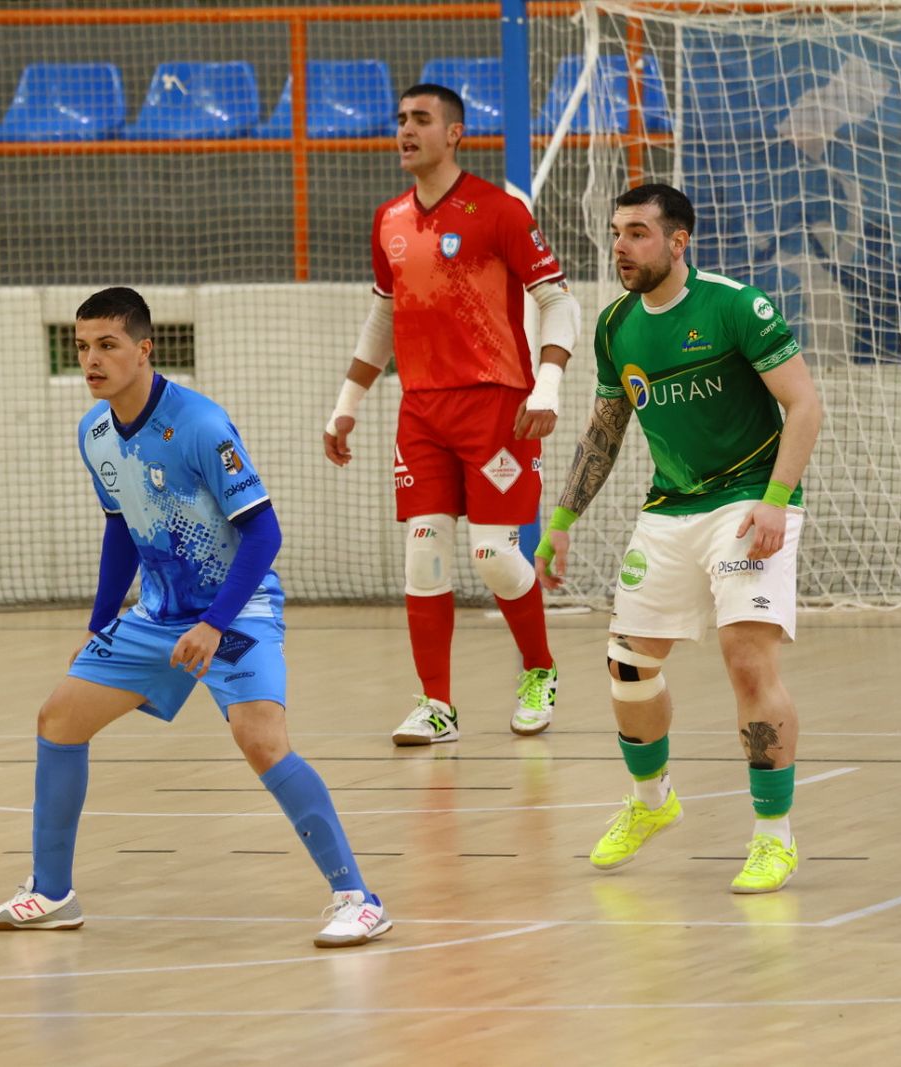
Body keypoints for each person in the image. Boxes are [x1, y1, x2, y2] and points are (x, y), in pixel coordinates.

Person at [0, 287, 390, 947]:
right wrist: (103, 617)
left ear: (145, 348)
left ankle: (357, 897)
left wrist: (215, 622)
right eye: (81, 347)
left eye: (107, 345)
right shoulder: (95, 433)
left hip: (237, 608)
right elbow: (121, 529)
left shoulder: (200, 424)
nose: (92, 360)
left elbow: (263, 534)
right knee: (58, 717)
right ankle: (51, 893)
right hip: (158, 613)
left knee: (261, 740)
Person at [536, 184, 823, 894]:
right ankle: (651, 800)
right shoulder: (615, 327)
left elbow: (805, 404)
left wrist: (776, 503)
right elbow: (605, 430)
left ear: (677, 241)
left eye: (637, 232)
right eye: (616, 233)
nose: (622, 246)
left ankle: (773, 838)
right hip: (670, 508)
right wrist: (561, 521)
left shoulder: (734, 306)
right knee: (628, 666)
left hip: (749, 499)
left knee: (746, 661)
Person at [322, 82, 582, 747]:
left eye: (421, 119)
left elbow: (560, 303)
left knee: (494, 554)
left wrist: (546, 385)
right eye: (400, 120)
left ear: (455, 133)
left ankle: (540, 669)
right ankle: (437, 705)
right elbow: (386, 314)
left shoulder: (498, 211)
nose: (405, 130)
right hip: (423, 414)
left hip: (498, 408)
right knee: (424, 558)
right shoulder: (389, 221)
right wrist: (347, 404)